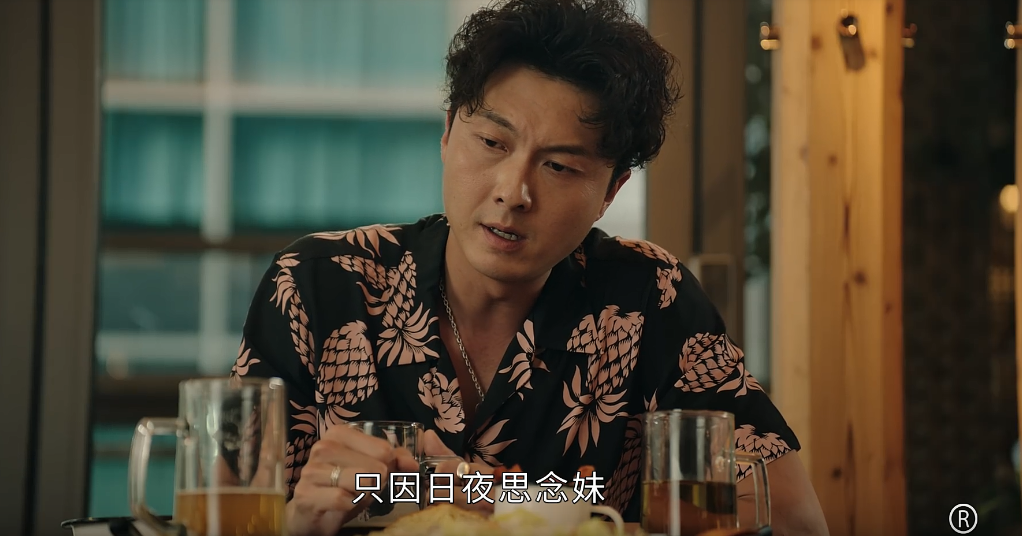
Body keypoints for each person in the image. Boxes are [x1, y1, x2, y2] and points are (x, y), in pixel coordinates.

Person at [229, 1, 829, 535]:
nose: (513, 192)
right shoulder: (319, 282)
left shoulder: (648, 296)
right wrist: (294, 523)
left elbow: (794, 517)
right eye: (492, 143)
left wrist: (487, 495)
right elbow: (222, 510)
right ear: (447, 133)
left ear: (611, 190)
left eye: (560, 167)